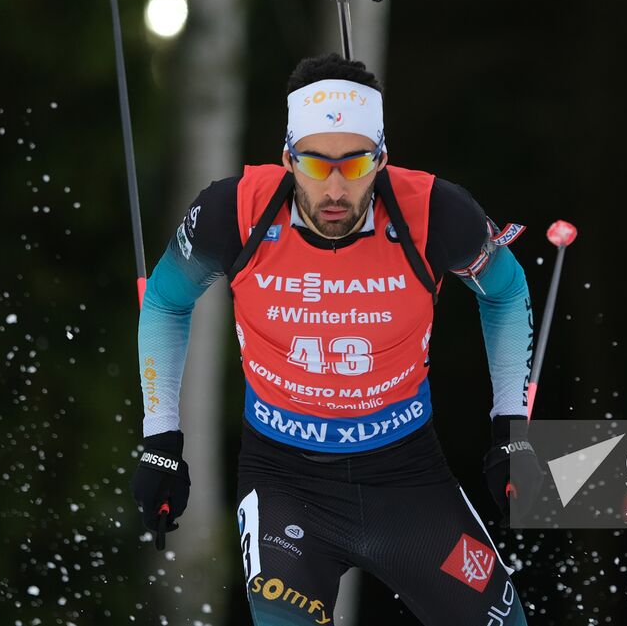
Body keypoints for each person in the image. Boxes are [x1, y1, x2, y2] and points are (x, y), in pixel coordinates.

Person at [130, 54, 541, 625]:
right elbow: (166, 300)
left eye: (356, 164)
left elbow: (506, 290)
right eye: (315, 164)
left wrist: (509, 429)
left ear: (382, 159)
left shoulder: (436, 212)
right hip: (285, 481)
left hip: (405, 478)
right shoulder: (234, 212)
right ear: (287, 158)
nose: (336, 188)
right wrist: (160, 440)